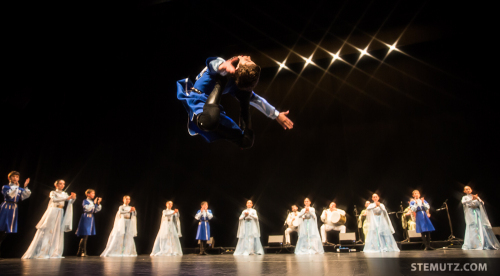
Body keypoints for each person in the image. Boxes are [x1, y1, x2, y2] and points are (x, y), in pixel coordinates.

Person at [176, 55, 294, 149]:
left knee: (246, 141)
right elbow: (213, 64)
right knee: (209, 122)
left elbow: (256, 99)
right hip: (197, 101)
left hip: (213, 109)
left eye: (248, 61)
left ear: (238, 68)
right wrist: (221, 66)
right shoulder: (223, 63)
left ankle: (213, 122)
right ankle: (204, 119)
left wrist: (276, 114)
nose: (248, 56)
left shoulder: (236, 83)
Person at [22, 179, 76, 259]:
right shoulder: (53, 192)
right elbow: (54, 199)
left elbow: (70, 201)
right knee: (48, 230)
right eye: (60, 183)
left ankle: (54, 252)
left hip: (60, 212)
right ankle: (43, 251)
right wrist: (66, 198)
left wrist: (73, 198)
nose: (62, 185)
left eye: (63, 184)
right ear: (56, 185)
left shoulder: (64, 194)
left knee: (57, 231)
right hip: (53, 211)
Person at [0, 171, 31, 256]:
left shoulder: (19, 188)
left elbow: (25, 196)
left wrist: (25, 187)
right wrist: (16, 188)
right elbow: (9, 195)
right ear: (9, 178)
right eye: (13, 177)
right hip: (6, 207)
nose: (15, 178)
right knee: (2, 227)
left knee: (7, 230)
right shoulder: (6, 187)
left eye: (17, 177)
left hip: (14, 208)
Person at [461, 186, 500, 250]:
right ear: (464, 191)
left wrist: (477, 199)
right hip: (470, 214)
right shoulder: (464, 197)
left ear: (471, 190)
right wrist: (472, 199)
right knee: (472, 226)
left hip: (477, 212)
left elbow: (482, 203)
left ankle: (483, 243)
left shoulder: (475, 196)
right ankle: (473, 244)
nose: (468, 190)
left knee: (480, 226)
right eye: (466, 189)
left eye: (469, 189)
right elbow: (463, 202)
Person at [75, 189, 102, 257]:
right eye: (92, 193)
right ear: (88, 194)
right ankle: (83, 252)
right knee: (85, 235)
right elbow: (87, 208)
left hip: (91, 218)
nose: (94, 195)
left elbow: (96, 210)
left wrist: (97, 203)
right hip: (86, 217)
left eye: (94, 193)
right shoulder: (85, 201)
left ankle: (79, 252)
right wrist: (94, 203)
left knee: (86, 235)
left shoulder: (92, 202)